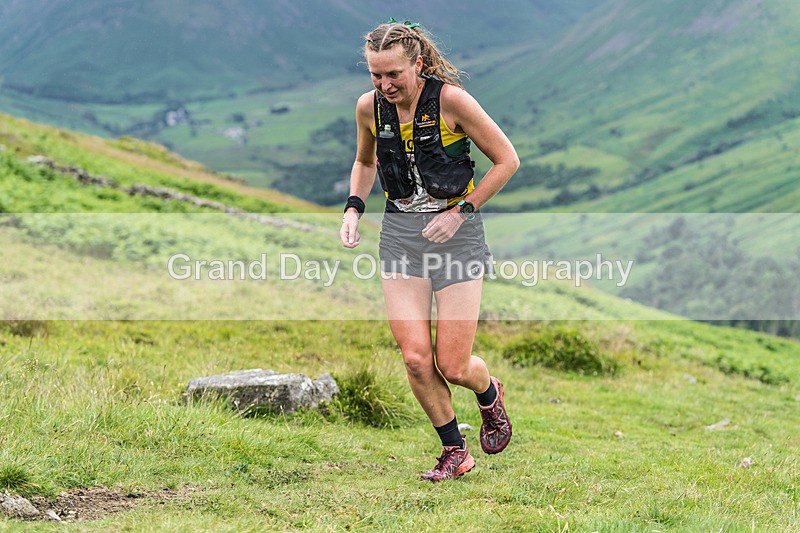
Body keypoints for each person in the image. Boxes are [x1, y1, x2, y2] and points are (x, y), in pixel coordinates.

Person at [339, 19, 519, 482]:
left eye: (394, 74)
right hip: (400, 236)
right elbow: (364, 162)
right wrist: (354, 209)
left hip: (457, 238)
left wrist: (462, 211)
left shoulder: (452, 101)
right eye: (376, 75)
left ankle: (488, 391)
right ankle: (455, 451)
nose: (385, 85)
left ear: (417, 63)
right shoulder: (369, 108)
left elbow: (507, 161)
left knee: (453, 364)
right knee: (416, 358)